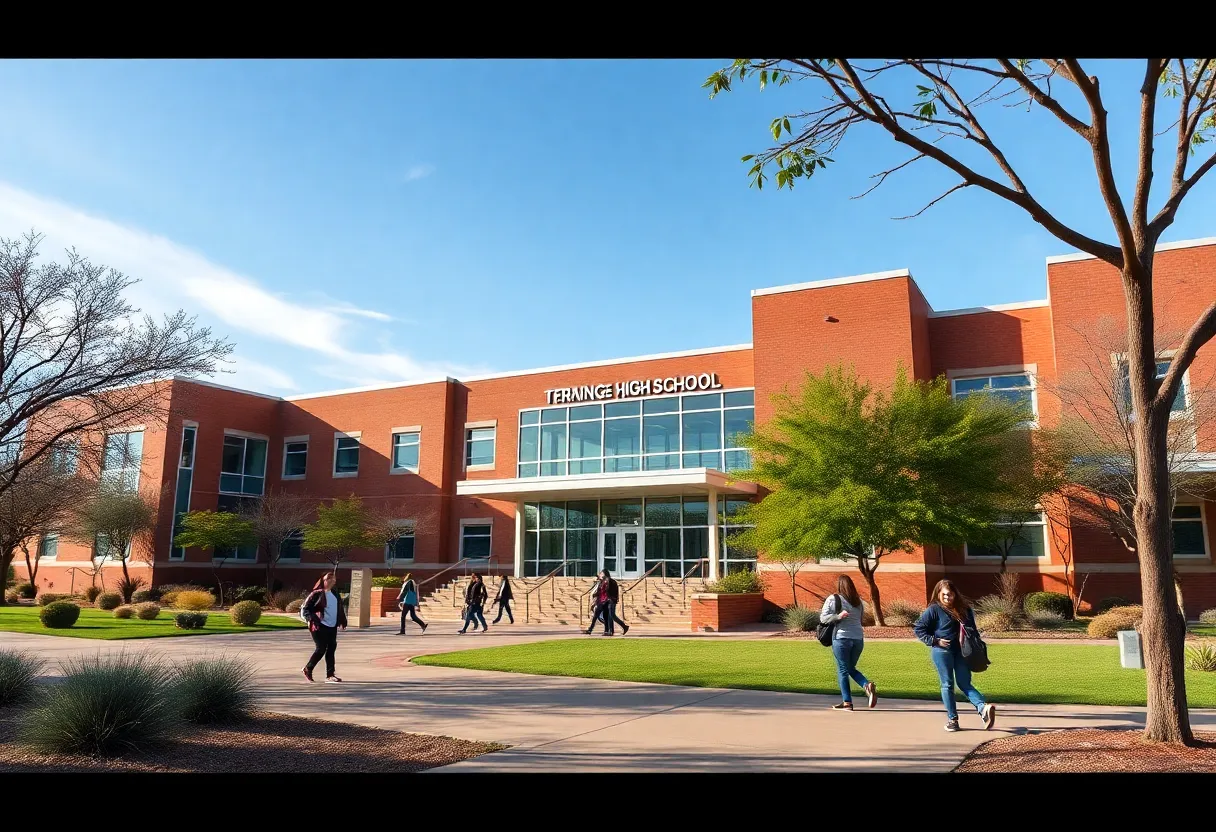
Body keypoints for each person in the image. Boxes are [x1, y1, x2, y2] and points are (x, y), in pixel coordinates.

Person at [913, 579, 996, 733]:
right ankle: (954, 719)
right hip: (942, 651)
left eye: (950, 595)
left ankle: (982, 708)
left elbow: (973, 631)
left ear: (955, 594)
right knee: (948, 684)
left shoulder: (965, 609)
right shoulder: (933, 610)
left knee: (962, 683)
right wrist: (934, 640)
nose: (947, 598)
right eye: (944, 595)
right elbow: (919, 628)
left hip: (962, 652)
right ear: (938, 594)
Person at [819, 575, 878, 711]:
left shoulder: (834, 598)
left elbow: (823, 618)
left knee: (843, 670)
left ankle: (847, 703)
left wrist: (838, 616)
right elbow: (860, 619)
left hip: (841, 639)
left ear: (839, 585)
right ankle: (866, 685)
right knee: (850, 668)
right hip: (858, 639)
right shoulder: (859, 602)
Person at [301, 572, 347, 683]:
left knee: (331, 649)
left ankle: (330, 675)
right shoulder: (316, 594)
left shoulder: (335, 594)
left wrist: (342, 621)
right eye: (328, 578)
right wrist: (310, 619)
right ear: (323, 581)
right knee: (321, 648)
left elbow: (339, 609)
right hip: (318, 625)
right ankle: (308, 668)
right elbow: (305, 608)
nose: (331, 580)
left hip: (332, 626)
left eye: (333, 579)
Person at [586, 569, 629, 636]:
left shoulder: (611, 581)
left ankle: (616, 629)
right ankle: (609, 630)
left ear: (605, 574)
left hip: (609, 600)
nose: (600, 574)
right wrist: (595, 596)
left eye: (601, 573)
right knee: (605, 616)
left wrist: (613, 599)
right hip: (602, 601)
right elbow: (600, 592)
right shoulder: (601, 582)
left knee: (611, 616)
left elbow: (614, 591)